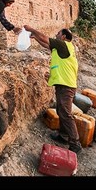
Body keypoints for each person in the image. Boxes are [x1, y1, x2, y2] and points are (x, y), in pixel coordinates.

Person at [23, 25, 82, 154]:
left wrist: (32, 29)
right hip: (63, 84)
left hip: (66, 85)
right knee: (61, 111)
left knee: (66, 113)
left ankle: (75, 143)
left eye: (58, 33)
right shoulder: (60, 48)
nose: (56, 35)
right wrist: (35, 38)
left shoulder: (63, 45)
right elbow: (46, 44)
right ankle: (63, 136)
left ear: (64, 36)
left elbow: (45, 38)